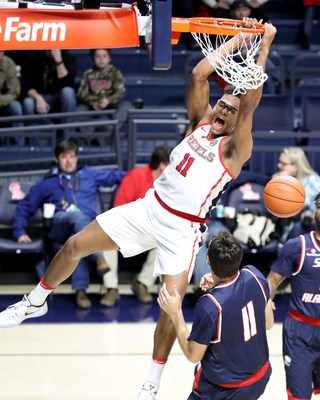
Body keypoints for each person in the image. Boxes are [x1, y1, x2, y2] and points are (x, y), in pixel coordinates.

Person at [0, 19, 277, 400]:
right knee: (75, 245)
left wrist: (263, 44)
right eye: (221, 103)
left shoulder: (233, 151)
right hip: (148, 208)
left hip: (183, 229)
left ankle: (151, 383)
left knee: (169, 305)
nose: (223, 110)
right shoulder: (198, 123)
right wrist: (238, 39)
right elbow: (199, 73)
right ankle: (34, 302)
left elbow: (250, 101)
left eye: (230, 110)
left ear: (235, 122)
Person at [158, 231, 274, 400]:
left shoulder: (210, 305)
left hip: (226, 391)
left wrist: (176, 313)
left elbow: (193, 355)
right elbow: (268, 323)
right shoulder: (255, 275)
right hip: (260, 378)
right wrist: (221, 282)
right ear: (239, 257)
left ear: (207, 260)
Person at [12, 139, 126, 308]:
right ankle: (98, 258)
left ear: (77, 158)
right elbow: (25, 206)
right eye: (64, 157)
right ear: (57, 159)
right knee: (76, 218)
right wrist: (20, 231)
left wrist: (147, 178)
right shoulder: (47, 182)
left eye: (72, 156)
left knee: (77, 239)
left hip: (85, 228)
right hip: (59, 225)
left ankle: (80, 291)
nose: (68, 161)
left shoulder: (89, 174)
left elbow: (122, 177)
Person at [101, 145, 172, 307]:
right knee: (106, 240)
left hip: (152, 231)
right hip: (127, 228)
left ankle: (142, 284)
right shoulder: (136, 176)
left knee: (166, 241)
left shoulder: (169, 183)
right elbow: (119, 207)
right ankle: (111, 288)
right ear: (162, 165)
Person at [267, 192, 320, 400]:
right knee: (298, 396)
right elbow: (272, 281)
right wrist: (266, 301)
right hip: (300, 333)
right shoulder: (297, 246)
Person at [21, 50, 77, 138]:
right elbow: (26, 86)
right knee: (28, 103)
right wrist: (38, 98)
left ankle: (67, 138)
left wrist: (58, 60)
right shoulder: (32, 58)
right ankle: (31, 141)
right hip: (38, 97)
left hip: (58, 98)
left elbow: (68, 84)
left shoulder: (68, 58)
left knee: (68, 92)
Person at [77, 48, 130, 138]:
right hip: (93, 105)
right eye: (98, 56)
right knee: (80, 110)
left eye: (104, 56)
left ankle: (111, 129)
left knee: (126, 105)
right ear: (93, 58)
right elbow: (81, 93)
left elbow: (121, 92)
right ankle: (89, 137)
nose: (101, 59)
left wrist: (108, 100)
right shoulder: (88, 73)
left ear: (109, 58)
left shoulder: (115, 72)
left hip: (110, 104)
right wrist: (92, 102)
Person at [273, 147, 320, 241]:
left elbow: (316, 208)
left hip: (306, 226)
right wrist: (281, 184)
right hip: (282, 226)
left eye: (284, 164)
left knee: (298, 227)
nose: (279, 166)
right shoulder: (277, 178)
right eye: (279, 162)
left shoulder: (312, 180)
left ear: (296, 165)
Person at [0, 50, 23, 144]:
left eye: (0, 51)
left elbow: (14, 92)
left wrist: (1, 100)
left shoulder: (8, 63)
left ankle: (20, 146)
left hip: (4, 101)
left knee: (16, 106)